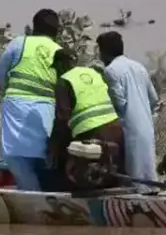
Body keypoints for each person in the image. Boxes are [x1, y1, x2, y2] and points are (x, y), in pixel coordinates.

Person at [0, 9, 62, 191]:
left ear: (33, 28)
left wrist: (8, 89)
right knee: (43, 154)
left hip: (16, 105)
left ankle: (31, 192)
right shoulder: (59, 51)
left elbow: (0, 73)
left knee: (14, 155)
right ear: (56, 31)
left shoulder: (19, 43)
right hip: (47, 108)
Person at [49, 48, 125, 191]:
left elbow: (62, 120)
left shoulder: (64, 81)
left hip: (92, 131)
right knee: (112, 168)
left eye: (56, 67)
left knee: (78, 168)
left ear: (61, 64)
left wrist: (54, 147)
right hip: (116, 128)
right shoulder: (94, 73)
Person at [96, 31, 159, 183]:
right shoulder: (139, 67)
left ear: (104, 51)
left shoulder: (110, 70)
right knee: (148, 171)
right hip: (147, 126)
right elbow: (154, 99)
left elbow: (119, 103)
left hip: (128, 128)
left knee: (133, 174)